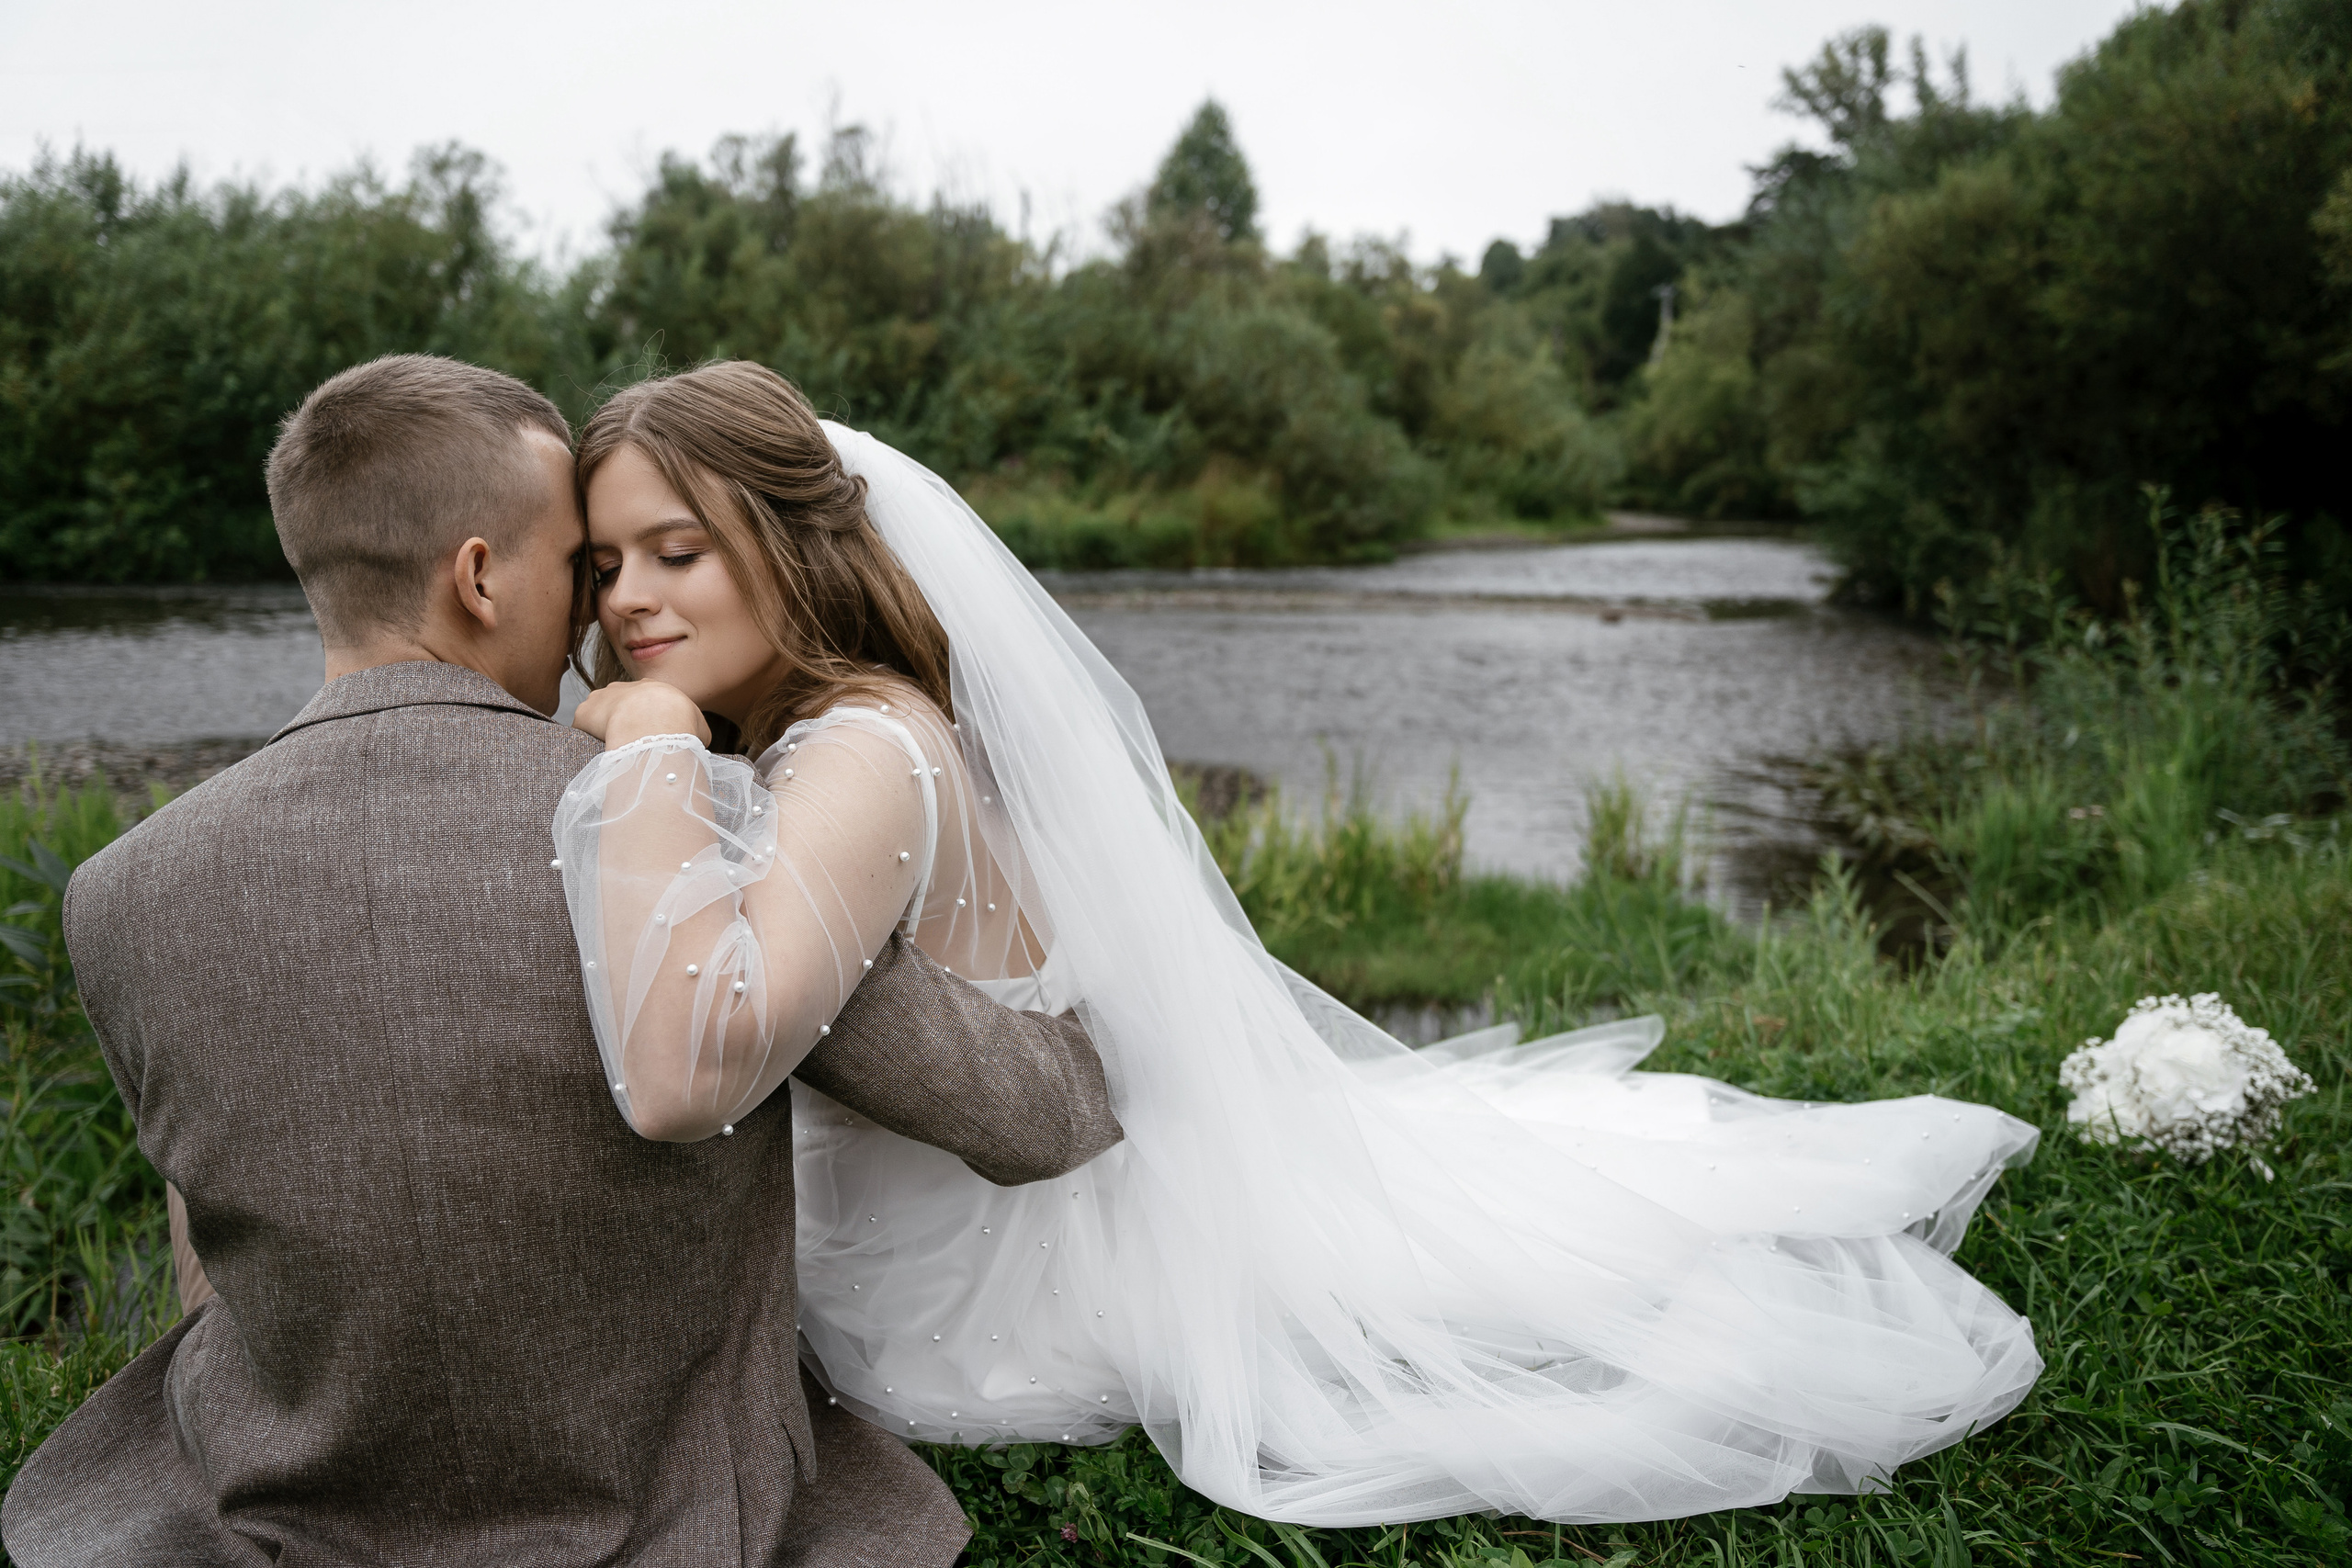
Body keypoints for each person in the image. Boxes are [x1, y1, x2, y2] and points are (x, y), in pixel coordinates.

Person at [560, 359, 2044, 1529]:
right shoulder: (851, 720)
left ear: (794, 543)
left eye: (676, 552)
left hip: (966, 1293)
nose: (628, 601)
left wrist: (645, 743)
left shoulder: (858, 752)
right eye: (606, 563)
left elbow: (714, 1040)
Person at [1, 355, 1123, 1568]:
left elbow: (206, 1227)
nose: (605, 614)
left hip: (275, 1501)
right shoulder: (682, 833)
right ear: (481, 576)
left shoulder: (123, 889)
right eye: (583, 566)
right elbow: (1029, 1111)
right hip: (674, 1510)